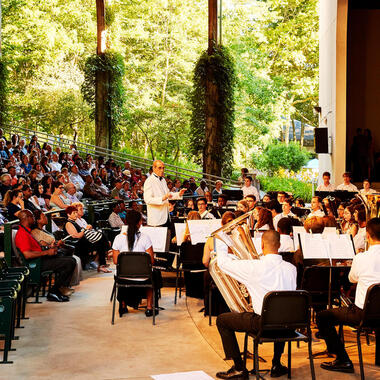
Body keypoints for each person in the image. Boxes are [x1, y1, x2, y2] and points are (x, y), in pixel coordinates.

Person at [214, 230, 297, 379]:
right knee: (281, 312)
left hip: (263, 326)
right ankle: (276, 364)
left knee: (222, 320)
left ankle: (239, 368)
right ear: (279, 245)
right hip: (288, 326)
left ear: (261, 245)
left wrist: (220, 240)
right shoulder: (292, 269)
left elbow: (223, 263)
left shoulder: (255, 267)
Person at [316, 217, 380, 374]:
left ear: (368, 237)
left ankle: (342, 358)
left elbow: (352, 279)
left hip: (363, 313)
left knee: (323, 317)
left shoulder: (361, 257)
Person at [15, 210, 76, 302]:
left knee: (68, 258)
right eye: (32, 216)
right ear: (27, 218)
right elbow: (27, 254)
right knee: (69, 262)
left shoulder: (27, 231)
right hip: (36, 263)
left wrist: (49, 248)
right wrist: (46, 253)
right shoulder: (22, 234)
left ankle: (59, 289)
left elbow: (36, 248)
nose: (34, 219)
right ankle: (54, 292)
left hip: (40, 259)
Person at [112, 209, 161, 317]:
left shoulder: (118, 238)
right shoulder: (145, 238)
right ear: (139, 223)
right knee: (154, 275)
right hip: (143, 277)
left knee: (120, 273)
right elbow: (151, 261)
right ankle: (149, 307)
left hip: (123, 276)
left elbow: (116, 261)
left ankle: (123, 305)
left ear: (126, 222)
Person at [143, 160, 185, 226]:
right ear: (154, 168)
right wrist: (163, 198)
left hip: (166, 216)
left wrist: (179, 194)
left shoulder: (163, 180)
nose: (162, 170)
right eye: (160, 168)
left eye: (163, 168)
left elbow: (168, 194)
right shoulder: (149, 181)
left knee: (168, 235)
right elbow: (147, 199)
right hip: (156, 218)